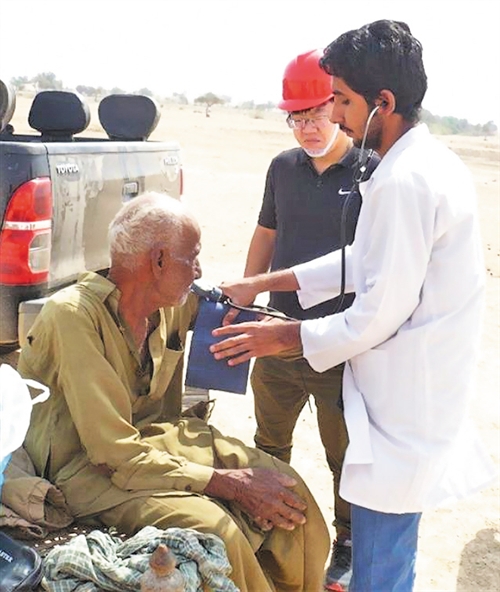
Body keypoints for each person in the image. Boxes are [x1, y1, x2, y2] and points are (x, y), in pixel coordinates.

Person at [210, 20, 496, 592]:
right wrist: (261, 281)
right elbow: (362, 258)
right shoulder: (415, 164)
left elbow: (377, 312)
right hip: (404, 393)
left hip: (403, 401)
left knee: (380, 562)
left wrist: (283, 336)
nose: (334, 114)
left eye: (341, 100)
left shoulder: (405, 181)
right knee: (384, 547)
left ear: (381, 103)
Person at [18, 192, 330, 592]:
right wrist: (230, 483)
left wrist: (279, 333)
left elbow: (244, 325)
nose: (199, 270)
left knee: (289, 491)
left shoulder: (172, 302)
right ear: (159, 260)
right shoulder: (73, 317)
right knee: (220, 531)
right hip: (88, 470)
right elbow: (113, 453)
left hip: (162, 442)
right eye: (193, 257)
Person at [224, 48, 379, 590]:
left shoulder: (369, 170)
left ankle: (348, 542)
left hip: (339, 342)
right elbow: (266, 233)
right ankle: (270, 526)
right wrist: (246, 296)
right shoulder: (282, 168)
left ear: (336, 108)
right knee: (269, 442)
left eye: (315, 114)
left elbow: (370, 262)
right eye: (296, 118)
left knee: (345, 453)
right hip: (274, 334)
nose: (307, 128)